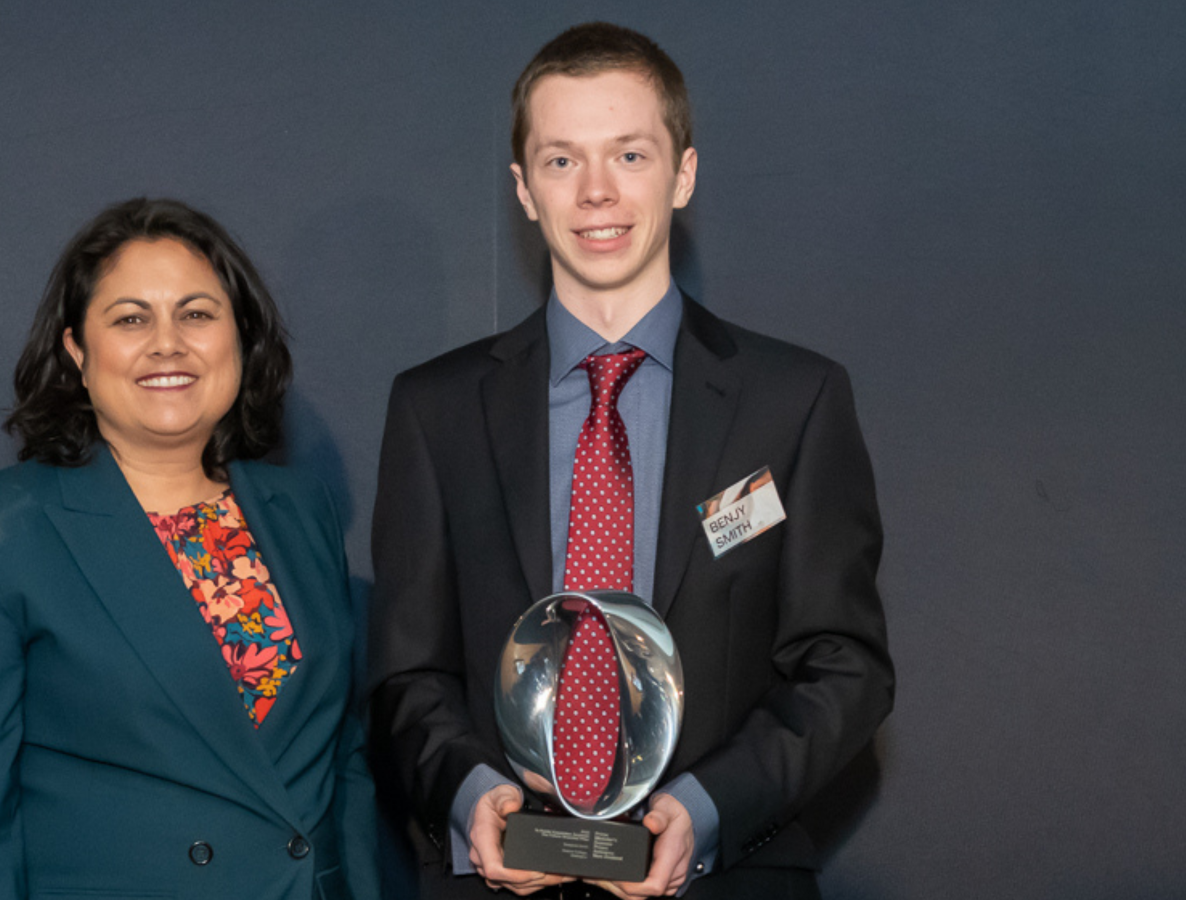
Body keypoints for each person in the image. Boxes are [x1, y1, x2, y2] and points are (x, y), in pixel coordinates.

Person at [369, 22, 893, 900]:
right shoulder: (435, 410)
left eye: (631, 155)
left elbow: (844, 665)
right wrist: (475, 797)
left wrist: (708, 806)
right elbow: (404, 674)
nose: (597, 193)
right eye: (562, 161)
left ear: (684, 173)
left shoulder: (794, 401)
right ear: (524, 190)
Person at [0, 197, 380, 900]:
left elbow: (344, 761)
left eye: (197, 313)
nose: (168, 343)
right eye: (130, 319)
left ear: (239, 339)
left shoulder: (301, 510)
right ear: (77, 352)